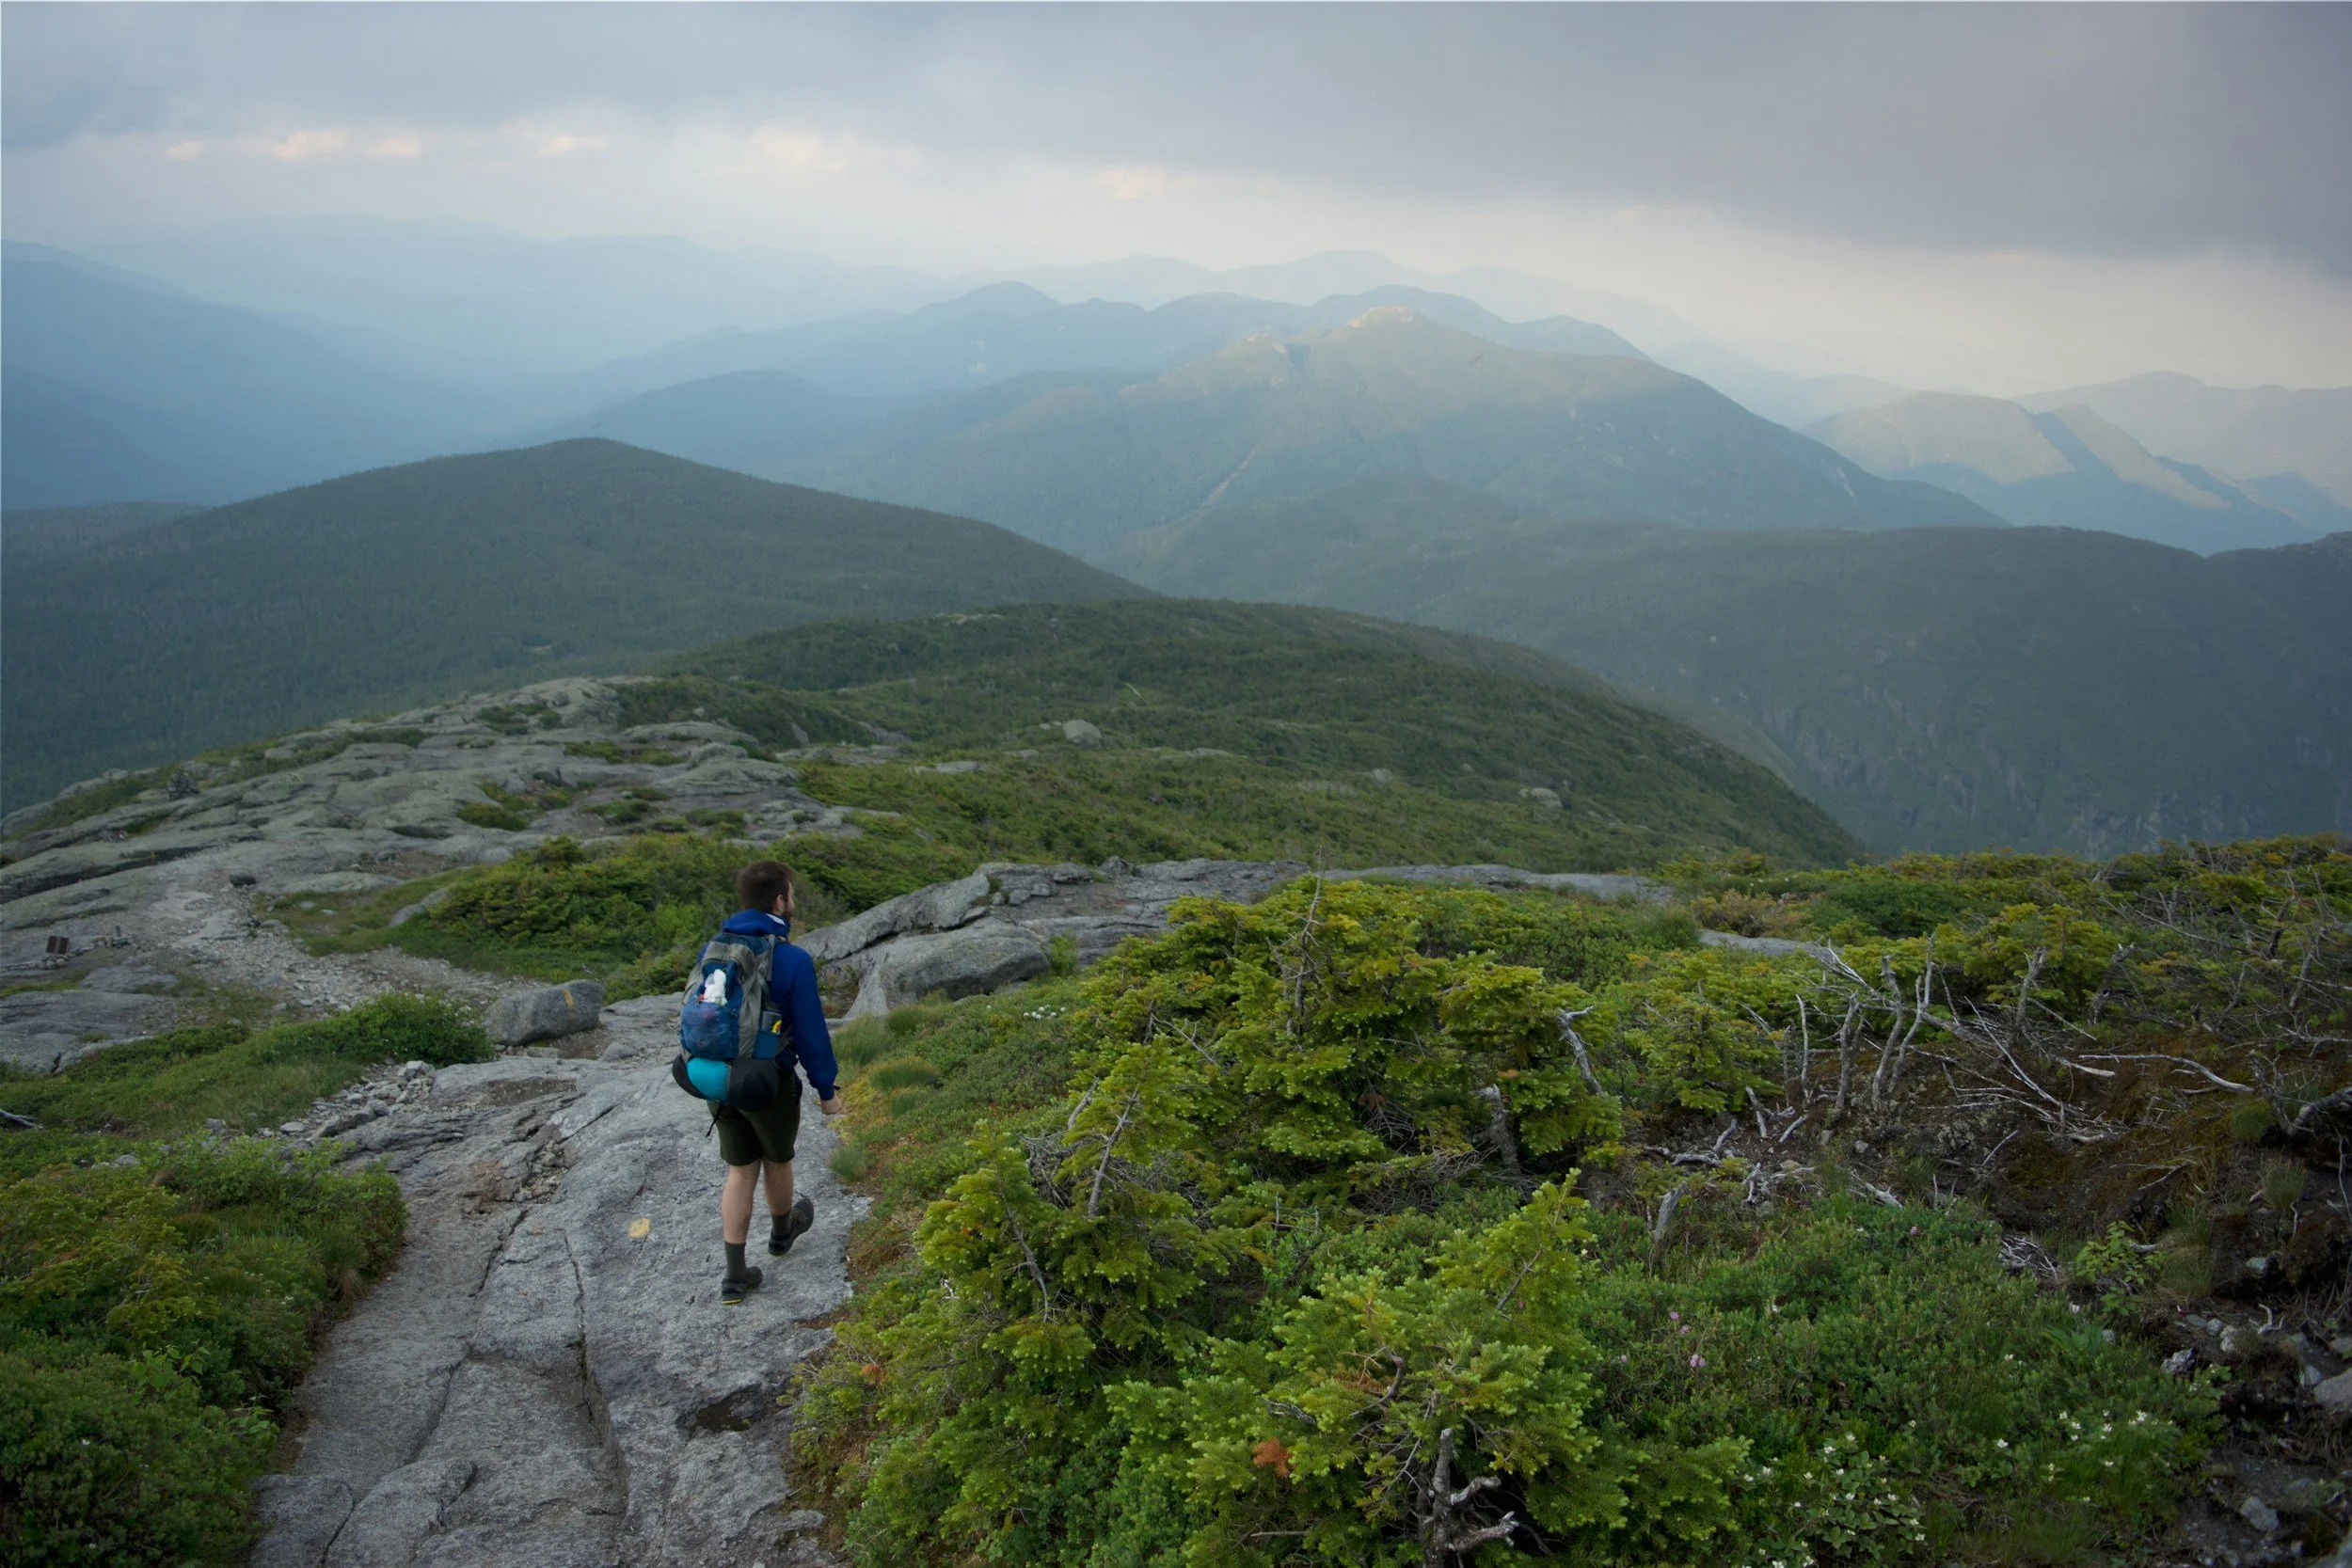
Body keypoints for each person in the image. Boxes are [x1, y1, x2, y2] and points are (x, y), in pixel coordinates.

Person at [708, 859, 841, 1305]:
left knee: (740, 1169)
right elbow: (810, 1033)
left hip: (718, 1080)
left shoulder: (716, 948)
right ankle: (783, 1233)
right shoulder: (790, 959)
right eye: (792, 896)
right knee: (777, 1160)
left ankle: (734, 1277)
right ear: (780, 901)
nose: (793, 904)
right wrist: (826, 1090)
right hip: (768, 1081)